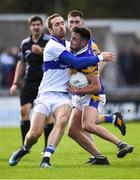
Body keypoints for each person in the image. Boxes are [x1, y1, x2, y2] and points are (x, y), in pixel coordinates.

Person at [9, 13, 115, 168]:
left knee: (63, 119)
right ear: (51, 30)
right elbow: (75, 62)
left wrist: (94, 66)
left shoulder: (69, 45)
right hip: (45, 94)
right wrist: (100, 57)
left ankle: (46, 158)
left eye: (61, 23)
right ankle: (25, 148)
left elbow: (83, 53)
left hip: (63, 95)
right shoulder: (53, 46)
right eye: (56, 24)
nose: (61, 26)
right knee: (34, 134)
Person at [67, 26, 134, 165]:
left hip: (94, 95)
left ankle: (121, 144)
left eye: (74, 39)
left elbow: (96, 86)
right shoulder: (75, 50)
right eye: (71, 37)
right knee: (72, 131)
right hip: (81, 95)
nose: (71, 41)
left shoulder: (88, 60)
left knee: (88, 125)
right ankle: (99, 157)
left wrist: (75, 91)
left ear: (84, 42)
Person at [67, 10, 126, 135]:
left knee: (85, 124)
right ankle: (114, 118)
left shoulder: (88, 42)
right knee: (85, 123)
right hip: (78, 86)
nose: (74, 24)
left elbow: (101, 59)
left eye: (77, 22)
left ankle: (100, 150)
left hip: (88, 88)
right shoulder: (71, 42)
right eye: (71, 22)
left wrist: (93, 75)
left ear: (83, 22)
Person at [9, 15, 54, 150]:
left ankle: (47, 147)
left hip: (45, 82)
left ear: (42, 26)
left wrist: (41, 52)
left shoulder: (49, 40)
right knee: (24, 111)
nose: (36, 27)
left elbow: (56, 57)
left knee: (48, 116)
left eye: (38, 24)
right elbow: (21, 63)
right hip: (29, 82)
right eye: (33, 25)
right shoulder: (25, 43)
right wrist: (15, 83)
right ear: (30, 27)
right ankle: (25, 146)